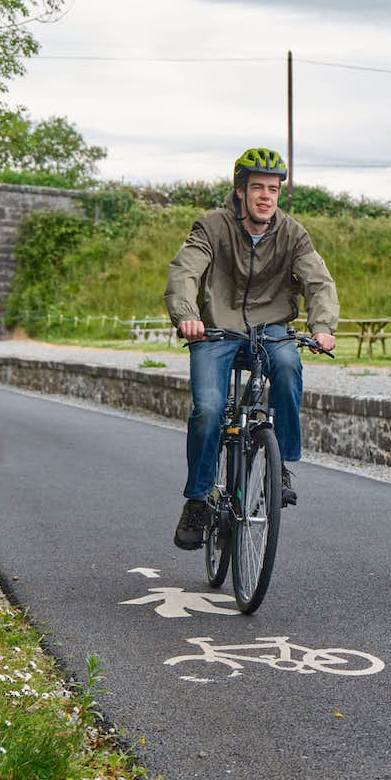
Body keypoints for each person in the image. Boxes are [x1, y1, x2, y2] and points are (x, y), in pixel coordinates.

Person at [163, 148, 338, 551]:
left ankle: (282, 466)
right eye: (257, 187)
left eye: (273, 189)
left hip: (271, 327)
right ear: (240, 191)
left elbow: (319, 282)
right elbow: (184, 272)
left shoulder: (293, 234)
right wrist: (187, 316)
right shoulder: (210, 227)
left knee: (289, 367)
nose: (266, 196)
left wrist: (323, 327)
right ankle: (197, 500)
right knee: (208, 409)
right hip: (216, 330)